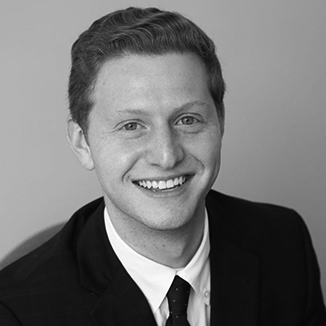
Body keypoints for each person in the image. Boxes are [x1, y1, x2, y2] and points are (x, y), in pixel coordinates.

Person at [0, 6, 325, 326]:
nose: (167, 156)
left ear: (220, 122)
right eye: (131, 126)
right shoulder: (17, 309)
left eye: (187, 120)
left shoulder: (285, 242)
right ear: (82, 143)